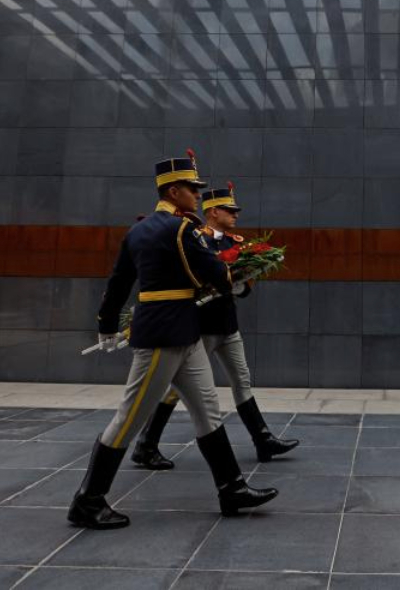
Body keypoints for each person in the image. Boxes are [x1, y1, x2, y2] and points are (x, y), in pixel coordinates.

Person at [67, 151, 277, 530]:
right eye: (192, 189)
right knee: (129, 418)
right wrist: (236, 275)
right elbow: (213, 272)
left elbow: (117, 284)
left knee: (207, 408)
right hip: (165, 335)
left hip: (181, 332)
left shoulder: (139, 230)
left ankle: (232, 488)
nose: (198, 195)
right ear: (174, 190)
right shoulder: (181, 229)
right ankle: (88, 500)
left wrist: (107, 326)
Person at [131, 182, 299, 470]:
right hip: (201, 326)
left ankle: (263, 439)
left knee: (241, 381)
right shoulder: (194, 238)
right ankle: (146, 444)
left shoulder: (236, 244)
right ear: (213, 212)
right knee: (177, 389)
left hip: (227, 324)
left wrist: (238, 286)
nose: (235, 215)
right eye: (229, 210)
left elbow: (245, 289)